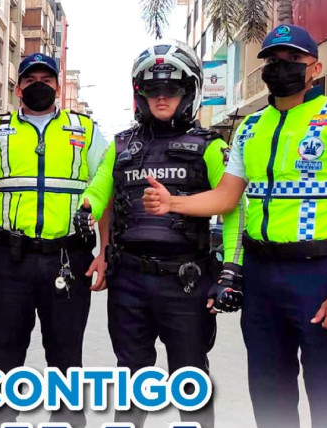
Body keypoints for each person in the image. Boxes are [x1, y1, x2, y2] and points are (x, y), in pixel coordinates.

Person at [143, 25, 327, 428]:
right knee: (268, 389)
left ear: (315, 68)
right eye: (272, 60)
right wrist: (172, 203)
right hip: (262, 275)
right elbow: (227, 197)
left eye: (293, 60)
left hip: (320, 273)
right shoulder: (250, 127)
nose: (280, 67)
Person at [83, 40, 245, 428]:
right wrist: (86, 207)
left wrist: (231, 271)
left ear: (188, 91)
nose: (161, 97)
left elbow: (234, 207)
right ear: (139, 94)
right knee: (130, 376)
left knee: (190, 379)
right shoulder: (121, 145)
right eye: (152, 89)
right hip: (129, 281)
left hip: (186, 282)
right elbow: (100, 187)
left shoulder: (210, 146)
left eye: (171, 88)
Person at [0, 53, 110, 428]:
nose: (38, 85)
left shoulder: (85, 130)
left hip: (68, 259)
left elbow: (106, 188)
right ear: (18, 89)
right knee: (5, 351)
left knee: (66, 353)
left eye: (46, 79)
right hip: (8, 259)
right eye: (30, 80)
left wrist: (105, 250)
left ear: (58, 87)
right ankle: (3, 419)